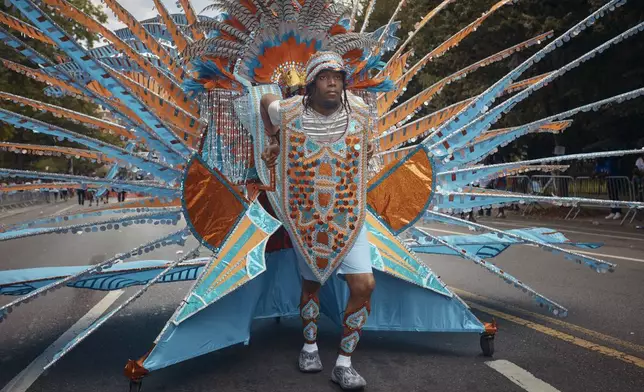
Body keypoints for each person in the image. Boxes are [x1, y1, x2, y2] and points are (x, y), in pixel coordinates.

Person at [259, 51, 375, 390]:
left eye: (338, 78)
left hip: (349, 215)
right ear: (310, 84)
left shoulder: (361, 114)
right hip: (307, 217)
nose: (333, 84)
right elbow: (265, 99)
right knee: (312, 284)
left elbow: (370, 156)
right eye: (325, 77)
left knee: (365, 285)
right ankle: (309, 346)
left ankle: (344, 362)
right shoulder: (291, 111)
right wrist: (275, 136)